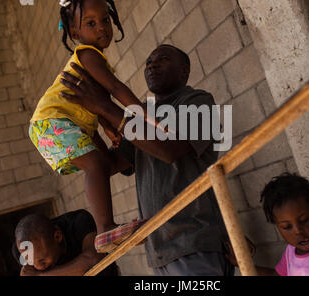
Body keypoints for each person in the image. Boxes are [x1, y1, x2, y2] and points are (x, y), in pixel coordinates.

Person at [59, 44, 234, 276]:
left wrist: (106, 106)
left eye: (162, 59)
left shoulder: (197, 101)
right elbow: (110, 165)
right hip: (159, 250)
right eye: (149, 62)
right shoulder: (143, 118)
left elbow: (168, 150)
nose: (152, 64)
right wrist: (88, 124)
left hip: (194, 242)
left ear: (185, 70)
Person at [28, 0, 147, 253]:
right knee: (95, 164)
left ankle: (134, 156)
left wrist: (112, 131)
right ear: (75, 33)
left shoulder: (93, 58)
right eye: (90, 23)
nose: (101, 27)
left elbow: (100, 107)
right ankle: (105, 228)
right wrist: (142, 114)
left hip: (69, 123)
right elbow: (115, 89)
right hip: (53, 121)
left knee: (103, 163)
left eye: (105, 20)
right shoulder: (88, 54)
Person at [12, 210, 119, 276]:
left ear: (57, 237)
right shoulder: (21, 249)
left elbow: (93, 260)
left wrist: (40, 275)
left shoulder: (78, 221)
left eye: (43, 260)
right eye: (31, 262)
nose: (38, 267)